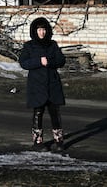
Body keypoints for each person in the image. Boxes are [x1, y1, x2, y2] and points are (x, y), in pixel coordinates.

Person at [19, 17, 66, 152]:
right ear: (35, 31)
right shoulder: (29, 46)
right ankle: (37, 142)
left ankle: (59, 141)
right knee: (38, 112)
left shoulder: (52, 45)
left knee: (54, 112)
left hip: (52, 84)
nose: (42, 32)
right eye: (39, 30)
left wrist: (49, 62)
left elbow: (61, 60)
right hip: (37, 84)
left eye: (44, 29)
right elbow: (23, 63)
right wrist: (39, 61)